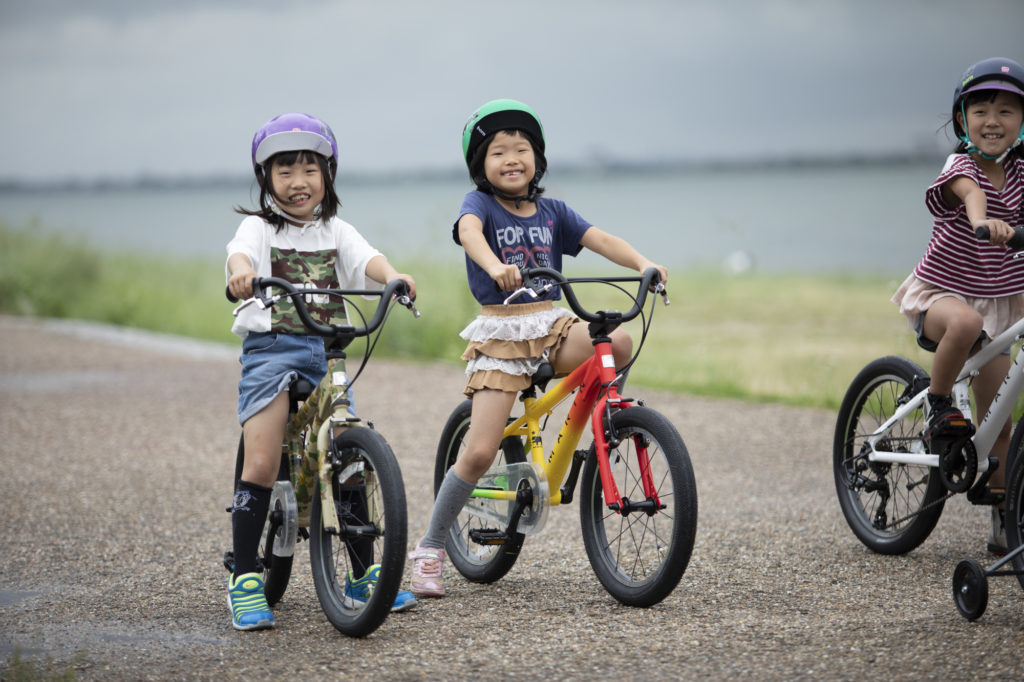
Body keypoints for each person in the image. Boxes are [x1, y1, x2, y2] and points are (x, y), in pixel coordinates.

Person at [406, 99, 668, 597]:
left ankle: (607, 421)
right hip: (503, 333)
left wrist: (643, 263)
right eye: (498, 150)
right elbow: (469, 235)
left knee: (618, 340)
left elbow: (599, 238)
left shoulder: (552, 212)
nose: (511, 158)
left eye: (521, 148)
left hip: (552, 326)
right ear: (480, 164)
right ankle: (431, 546)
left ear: (537, 159)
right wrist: (492, 266)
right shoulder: (478, 206)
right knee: (481, 450)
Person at [225, 112, 418, 629]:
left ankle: (360, 573)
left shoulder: (336, 230)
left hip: (327, 351)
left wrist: (393, 276)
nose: (297, 182)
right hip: (271, 352)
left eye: (309, 168)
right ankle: (245, 578)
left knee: (349, 455)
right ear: (265, 178)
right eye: (284, 170)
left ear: (327, 175)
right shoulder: (259, 228)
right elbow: (239, 256)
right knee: (263, 462)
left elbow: (368, 259)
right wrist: (243, 274)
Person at [892, 57, 1024, 555]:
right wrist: (983, 222)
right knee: (966, 323)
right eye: (982, 109)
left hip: (1001, 300)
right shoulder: (961, 167)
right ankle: (938, 402)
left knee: (1001, 421)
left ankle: (1006, 527)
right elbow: (970, 195)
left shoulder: (1022, 172)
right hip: (945, 296)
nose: (994, 120)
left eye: (1007, 111)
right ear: (963, 119)